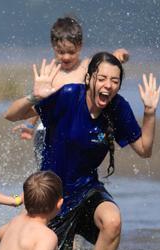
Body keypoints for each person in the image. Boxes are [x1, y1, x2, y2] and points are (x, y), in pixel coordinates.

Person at [5, 52, 160, 250]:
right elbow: (11, 115)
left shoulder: (118, 108)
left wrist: (150, 112)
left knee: (112, 222)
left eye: (115, 81)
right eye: (102, 78)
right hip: (52, 197)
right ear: (89, 79)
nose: (108, 85)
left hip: (86, 189)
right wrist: (35, 96)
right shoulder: (69, 96)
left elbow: (144, 149)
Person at [12, 17, 129, 162]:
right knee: (47, 173)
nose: (66, 57)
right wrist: (30, 125)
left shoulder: (87, 66)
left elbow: (109, 63)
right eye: (61, 52)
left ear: (80, 46)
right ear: (53, 46)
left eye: (71, 52)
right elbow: (40, 103)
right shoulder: (49, 72)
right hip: (48, 128)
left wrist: (120, 55)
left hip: (78, 126)